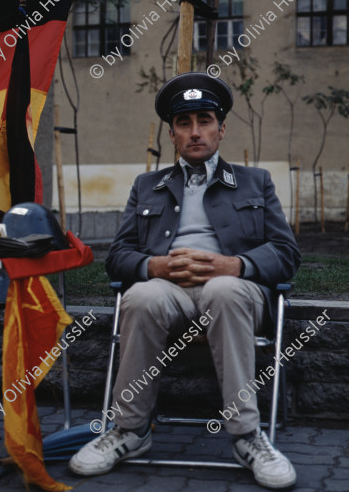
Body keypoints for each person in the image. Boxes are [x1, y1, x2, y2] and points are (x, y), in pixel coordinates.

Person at [69, 72, 301, 489]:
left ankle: (247, 435)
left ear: (221, 129)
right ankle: (130, 430)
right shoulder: (147, 186)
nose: (196, 131)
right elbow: (117, 257)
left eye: (205, 120)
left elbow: (287, 254)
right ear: (172, 133)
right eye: (184, 123)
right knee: (139, 297)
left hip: (235, 290)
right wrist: (155, 268)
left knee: (222, 289)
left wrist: (235, 265)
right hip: (170, 291)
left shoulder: (254, 182)